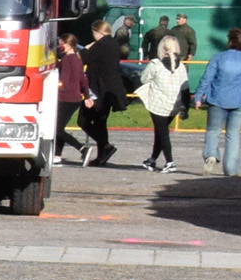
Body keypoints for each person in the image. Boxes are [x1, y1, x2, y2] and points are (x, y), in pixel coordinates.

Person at [201, 28, 241, 175]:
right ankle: (231, 170)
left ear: (230, 42)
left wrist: (198, 96)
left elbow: (207, 78)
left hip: (217, 98)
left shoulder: (217, 58)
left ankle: (211, 155)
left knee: (213, 130)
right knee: (233, 134)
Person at [79, 18, 131, 167]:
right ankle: (102, 154)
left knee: (83, 120)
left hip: (99, 90)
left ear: (97, 31)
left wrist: (86, 48)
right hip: (109, 90)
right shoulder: (113, 43)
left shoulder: (101, 45)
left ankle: (105, 146)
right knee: (100, 122)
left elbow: (83, 59)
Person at [137, 29, 189, 172]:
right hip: (174, 106)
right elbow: (185, 89)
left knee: (162, 133)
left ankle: (170, 162)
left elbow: (143, 79)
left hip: (158, 104)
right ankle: (152, 160)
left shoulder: (155, 64)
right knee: (160, 132)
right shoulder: (182, 66)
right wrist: (186, 108)